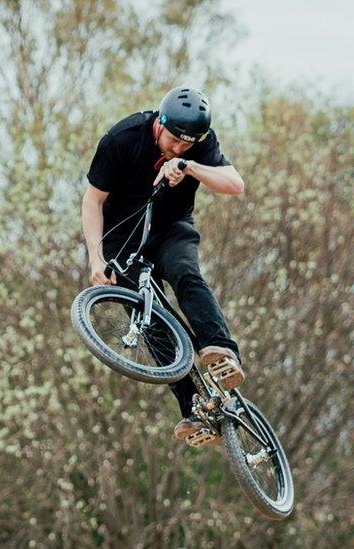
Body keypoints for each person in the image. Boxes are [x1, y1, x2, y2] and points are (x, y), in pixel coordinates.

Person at [81, 86, 247, 446]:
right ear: (160, 122)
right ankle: (193, 408)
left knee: (185, 273)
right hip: (120, 237)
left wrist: (189, 166)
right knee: (153, 322)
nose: (178, 148)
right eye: (174, 141)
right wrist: (95, 257)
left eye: (187, 144)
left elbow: (235, 184)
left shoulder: (196, 146)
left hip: (171, 229)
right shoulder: (123, 139)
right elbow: (92, 201)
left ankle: (220, 350)